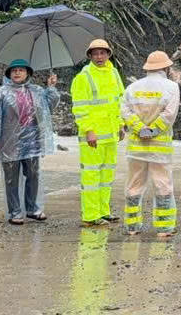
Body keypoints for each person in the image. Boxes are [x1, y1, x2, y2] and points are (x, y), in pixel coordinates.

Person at [0, 59, 60, 225]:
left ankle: (32, 209)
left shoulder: (37, 91)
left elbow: (48, 108)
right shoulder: (1, 93)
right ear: (9, 74)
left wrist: (51, 88)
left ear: (28, 73)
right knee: (11, 178)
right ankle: (15, 212)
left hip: (32, 141)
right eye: (14, 70)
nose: (17, 73)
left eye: (21, 70)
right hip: (9, 142)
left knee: (33, 175)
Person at [120, 50, 180, 237]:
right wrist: (152, 130)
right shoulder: (172, 87)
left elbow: (125, 111)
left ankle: (132, 227)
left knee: (134, 185)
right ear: (166, 68)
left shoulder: (132, 88)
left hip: (136, 148)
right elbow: (169, 115)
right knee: (162, 185)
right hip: (159, 149)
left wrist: (140, 129)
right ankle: (164, 228)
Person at [70, 39, 126, 227]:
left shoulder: (114, 73)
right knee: (91, 177)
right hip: (92, 137)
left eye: (102, 53)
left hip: (110, 134)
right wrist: (89, 130)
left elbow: (120, 100)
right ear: (90, 56)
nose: (99, 57)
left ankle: (103, 211)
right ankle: (90, 215)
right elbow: (80, 107)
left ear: (109, 54)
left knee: (106, 176)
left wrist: (121, 125)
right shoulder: (83, 77)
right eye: (95, 54)